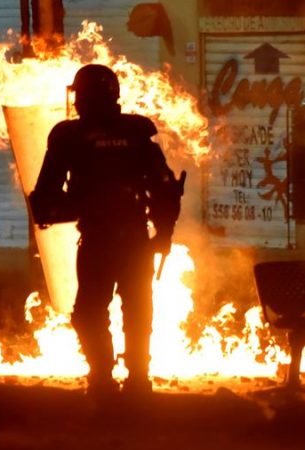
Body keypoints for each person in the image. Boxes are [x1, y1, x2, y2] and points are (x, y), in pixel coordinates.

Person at [30, 64, 182, 397]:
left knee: (89, 312)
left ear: (81, 97)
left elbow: (46, 192)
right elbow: (165, 187)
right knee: (138, 309)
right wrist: (164, 233)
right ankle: (138, 380)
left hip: (98, 240)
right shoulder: (137, 132)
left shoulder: (68, 136)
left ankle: (102, 378)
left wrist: (65, 208)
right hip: (134, 238)